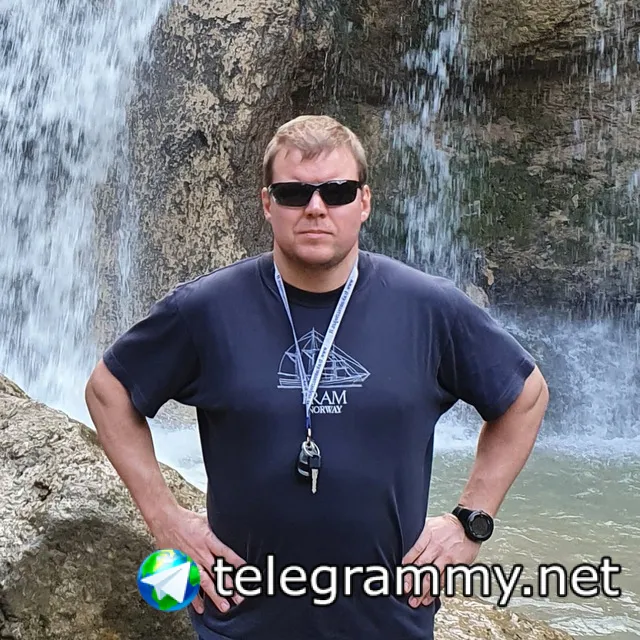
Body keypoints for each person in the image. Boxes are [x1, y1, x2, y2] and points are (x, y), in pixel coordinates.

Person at [85, 114, 549, 640]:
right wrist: (164, 518)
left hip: (388, 625)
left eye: (337, 191)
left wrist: (471, 520)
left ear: (364, 202)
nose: (315, 207)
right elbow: (108, 391)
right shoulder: (205, 310)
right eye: (293, 193)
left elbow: (526, 396)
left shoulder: (430, 308)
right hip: (241, 626)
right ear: (267, 204)